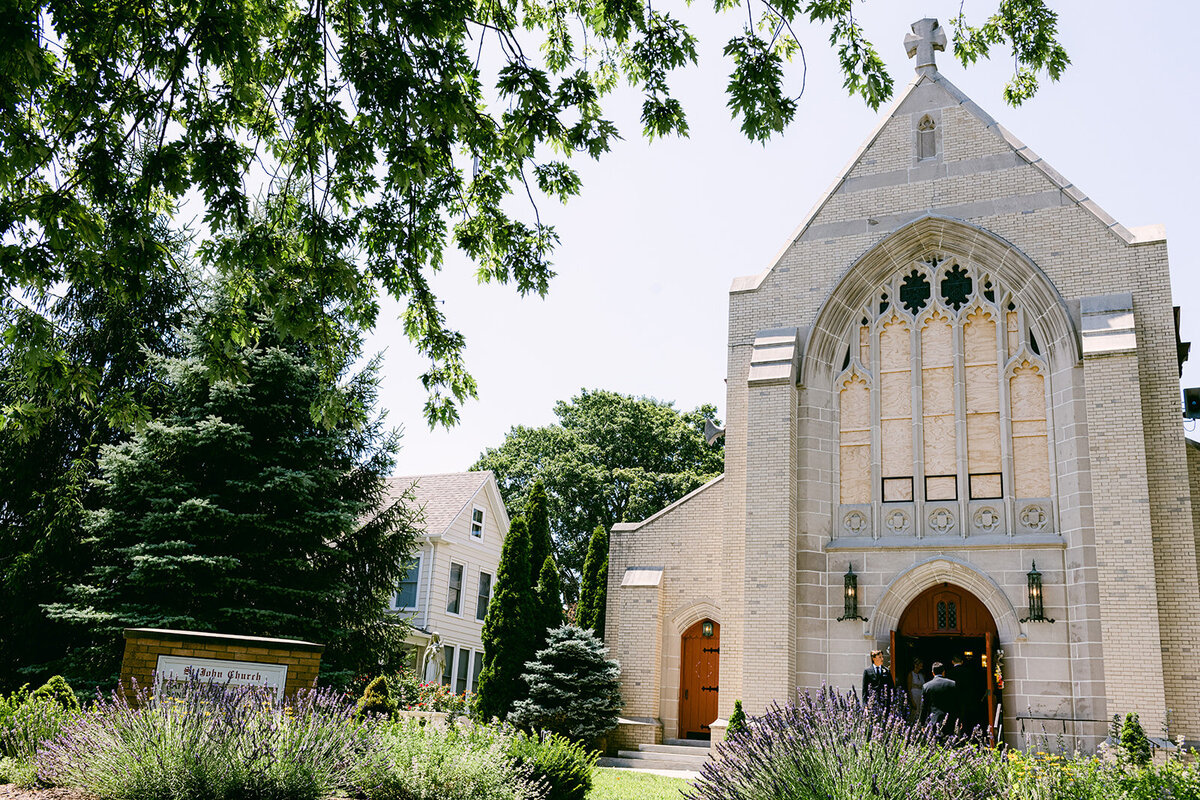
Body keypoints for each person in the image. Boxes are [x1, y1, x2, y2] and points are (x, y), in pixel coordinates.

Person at [921, 661, 959, 738]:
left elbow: (924, 707)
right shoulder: (952, 684)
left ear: (933, 673)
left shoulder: (926, 686)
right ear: (943, 672)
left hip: (934, 719)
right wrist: (959, 719)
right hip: (950, 719)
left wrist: (922, 723)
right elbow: (957, 703)